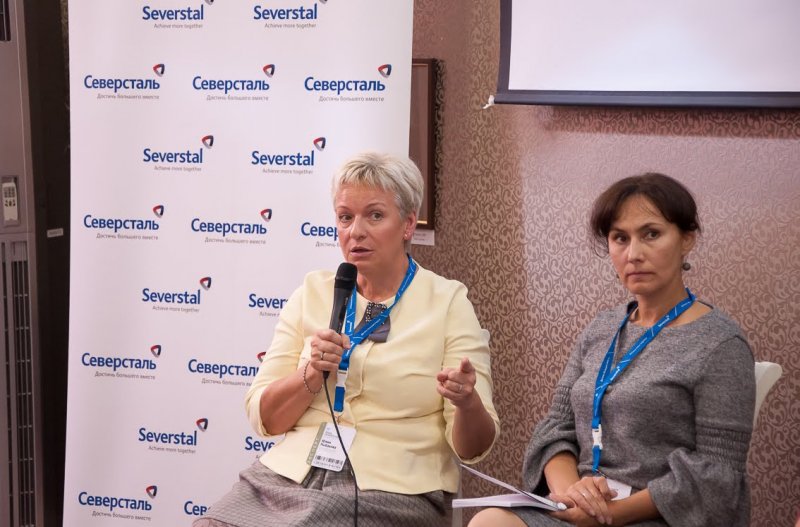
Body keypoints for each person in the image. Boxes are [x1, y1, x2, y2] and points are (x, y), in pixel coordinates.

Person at [194, 152, 500, 527]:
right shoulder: (312, 293)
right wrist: (310, 375)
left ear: (407, 224)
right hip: (289, 475)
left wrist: (467, 402)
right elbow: (265, 417)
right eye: (345, 217)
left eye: (375, 215)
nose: (355, 231)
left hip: (391, 490)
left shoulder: (447, 303)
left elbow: (474, 447)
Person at [470, 173, 755, 527]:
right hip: (578, 508)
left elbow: (717, 474)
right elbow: (555, 429)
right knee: (489, 522)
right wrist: (573, 497)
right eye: (620, 238)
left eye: (651, 234)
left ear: (687, 239)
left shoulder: (720, 343)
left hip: (660, 516)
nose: (634, 254)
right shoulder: (601, 329)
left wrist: (609, 514)